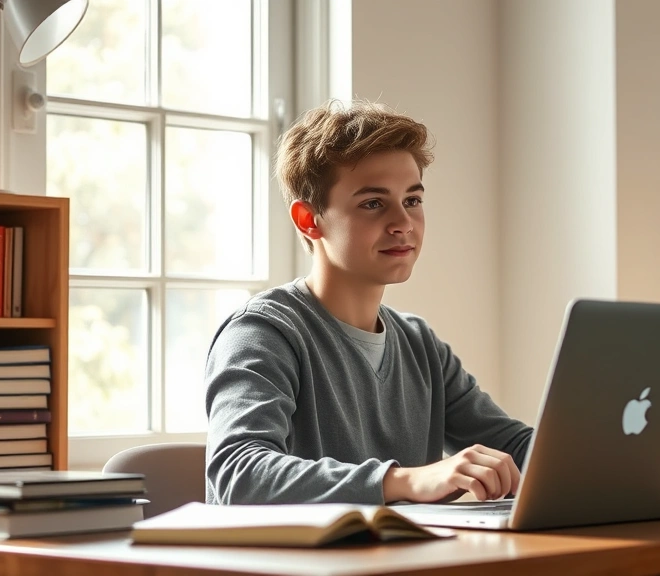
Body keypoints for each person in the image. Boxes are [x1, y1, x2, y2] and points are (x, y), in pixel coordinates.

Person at [204, 99, 534, 505]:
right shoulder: (263, 333)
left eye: (412, 200)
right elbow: (239, 472)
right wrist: (407, 482)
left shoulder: (419, 343)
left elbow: (515, 445)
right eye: (373, 204)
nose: (403, 223)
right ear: (309, 220)